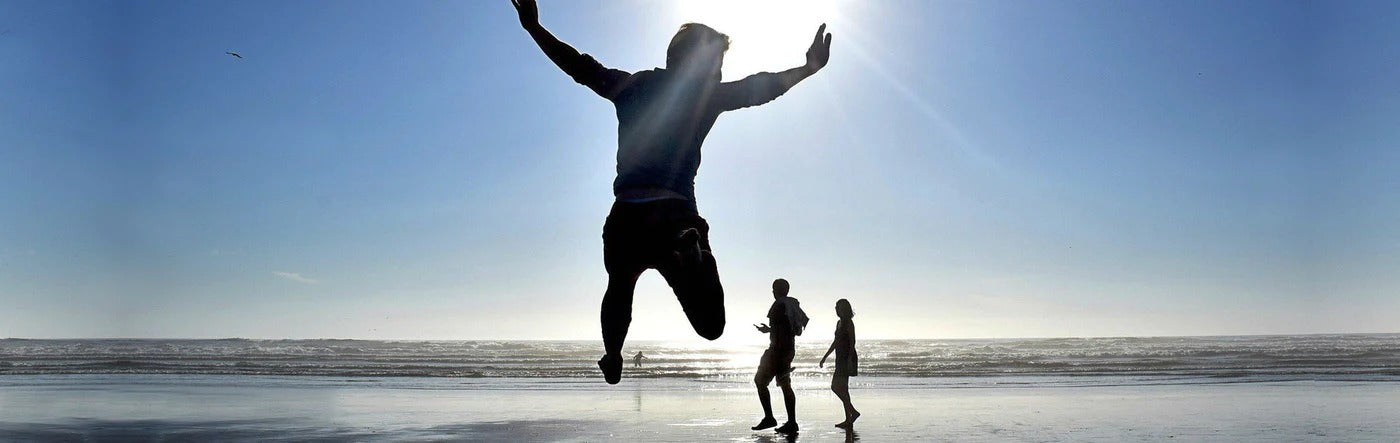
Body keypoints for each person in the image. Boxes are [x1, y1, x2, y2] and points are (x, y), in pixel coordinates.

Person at [509, 0, 833, 385]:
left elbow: (579, 66)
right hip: (676, 216)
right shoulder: (706, 96)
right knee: (711, 326)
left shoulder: (632, 85)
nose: (719, 73)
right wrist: (808, 69)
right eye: (715, 65)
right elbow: (759, 88)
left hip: (627, 215)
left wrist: (534, 28)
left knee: (619, 287)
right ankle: (693, 256)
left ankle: (613, 355)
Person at [753, 278, 808, 434]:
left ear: (775, 290)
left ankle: (769, 417)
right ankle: (791, 422)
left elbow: (780, 330)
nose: (773, 292)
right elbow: (790, 329)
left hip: (777, 350)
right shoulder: (792, 305)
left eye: (773, 289)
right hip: (789, 349)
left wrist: (774, 350)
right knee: (785, 384)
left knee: (760, 381)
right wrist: (769, 330)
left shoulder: (778, 306)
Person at [819, 299, 860, 428]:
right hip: (840, 357)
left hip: (847, 357)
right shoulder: (839, 323)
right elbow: (835, 342)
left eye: (838, 307)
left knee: (837, 387)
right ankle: (850, 417)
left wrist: (849, 360)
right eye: (836, 307)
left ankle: (851, 414)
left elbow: (852, 342)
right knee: (842, 388)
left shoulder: (848, 323)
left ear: (845, 309)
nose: (836, 309)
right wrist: (825, 357)